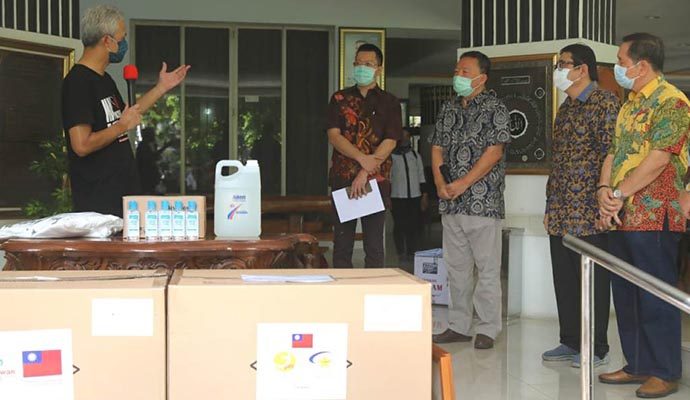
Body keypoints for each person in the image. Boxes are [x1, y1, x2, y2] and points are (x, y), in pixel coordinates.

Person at [597, 32, 690, 398]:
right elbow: (614, 152)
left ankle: (665, 371)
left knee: (655, 294)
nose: (617, 68)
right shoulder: (629, 103)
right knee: (626, 293)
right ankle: (637, 364)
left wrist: (619, 193)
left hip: (654, 213)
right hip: (622, 212)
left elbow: (660, 158)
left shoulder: (672, 101)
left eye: (621, 62)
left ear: (642, 65)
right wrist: (604, 191)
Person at [62, 4, 190, 216]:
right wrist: (121, 126)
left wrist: (161, 88)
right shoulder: (78, 82)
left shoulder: (105, 79)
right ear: (107, 41)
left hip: (122, 196)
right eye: (122, 37)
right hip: (99, 205)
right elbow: (82, 145)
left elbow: (128, 115)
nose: (124, 43)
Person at [541, 44, 620, 368]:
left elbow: (612, 154)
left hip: (589, 210)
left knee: (594, 281)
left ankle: (597, 347)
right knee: (565, 278)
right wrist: (550, 206)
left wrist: (606, 205)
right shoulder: (566, 108)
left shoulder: (605, 103)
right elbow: (558, 162)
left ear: (582, 68)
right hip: (561, 210)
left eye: (563, 64)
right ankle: (570, 340)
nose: (558, 70)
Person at [430, 51, 510, 349]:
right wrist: (440, 183)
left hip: (482, 202)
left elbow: (494, 152)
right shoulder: (448, 108)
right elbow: (437, 148)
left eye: (465, 71)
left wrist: (463, 184)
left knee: (487, 269)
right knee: (456, 268)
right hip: (450, 202)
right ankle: (459, 325)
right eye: (457, 70)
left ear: (482, 77)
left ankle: (488, 328)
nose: (458, 76)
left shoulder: (495, 108)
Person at [326, 43, 402, 268]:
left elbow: (391, 140)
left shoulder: (390, 102)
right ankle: (344, 288)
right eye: (358, 63)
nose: (362, 68)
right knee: (342, 244)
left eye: (368, 64)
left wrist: (365, 171)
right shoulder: (339, 98)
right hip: (343, 178)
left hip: (375, 181)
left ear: (379, 69)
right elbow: (334, 135)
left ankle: (373, 287)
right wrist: (362, 159)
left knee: (374, 245)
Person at [390, 129, 428, 260]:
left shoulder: (415, 156)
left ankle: (412, 251)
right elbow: (388, 178)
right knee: (399, 225)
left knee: (414, 225)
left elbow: (421, 175)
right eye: (402, 136)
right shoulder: (391, 157)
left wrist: (424, 195)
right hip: (397, 196)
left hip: (414, 196)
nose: (404, 139)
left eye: (407, 136)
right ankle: (400, 251)